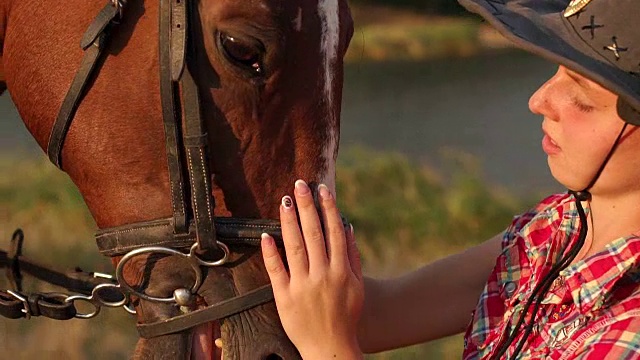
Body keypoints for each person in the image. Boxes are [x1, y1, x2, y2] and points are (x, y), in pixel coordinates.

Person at [260, 0, 640, 358]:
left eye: (583, 97)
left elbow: (335, 334)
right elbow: (372, 317)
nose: (539, 100)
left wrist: (329, 348)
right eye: (555, 71)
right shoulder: (551, 230)